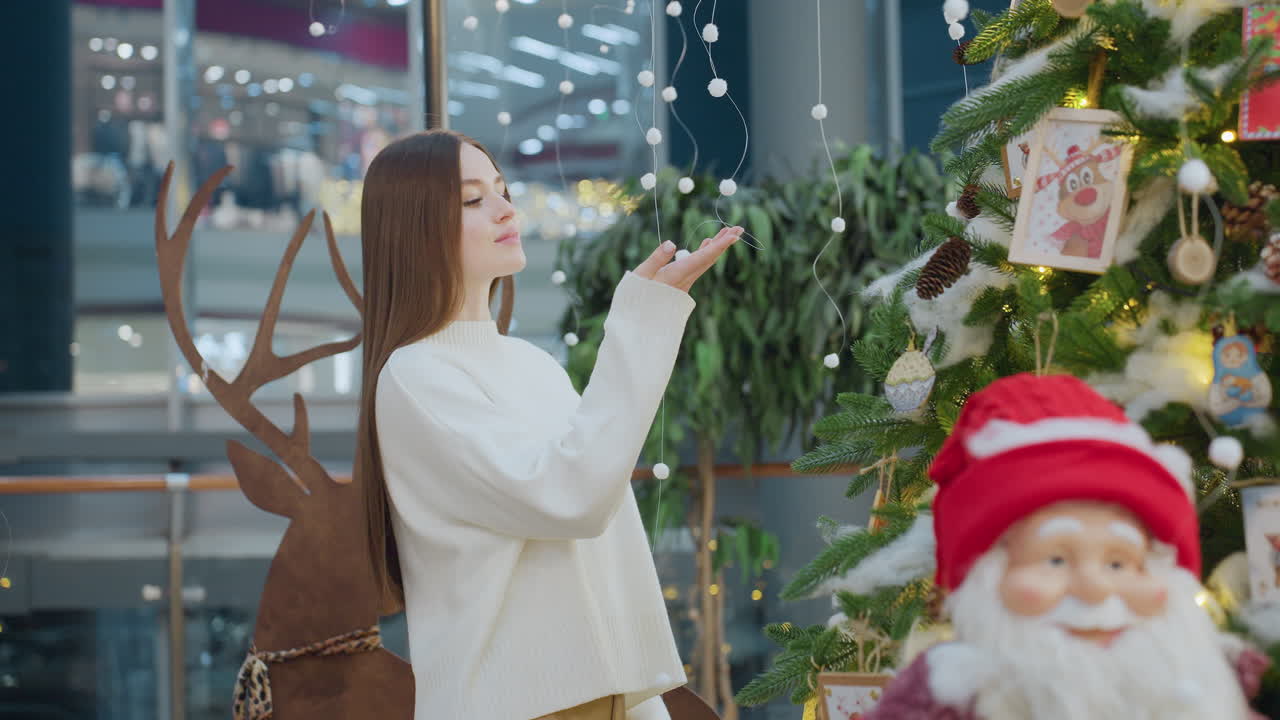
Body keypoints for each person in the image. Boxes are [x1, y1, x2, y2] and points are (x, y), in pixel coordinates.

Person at [353, 128, 742, 720]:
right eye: (473, 199)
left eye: (502, 190)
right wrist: (640, 323)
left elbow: (602, 546)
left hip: (605, 698)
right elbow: (572, 498)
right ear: (414, 225)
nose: (507, 208)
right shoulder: (416, 378)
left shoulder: (531, 364)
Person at [866, 373, 1270, 720]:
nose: (1094, 588)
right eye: (1055, 559)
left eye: (1119, 563)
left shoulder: (1209, 690)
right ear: (988, 577)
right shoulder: (942, 695)